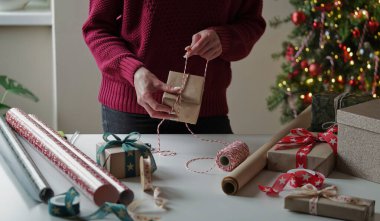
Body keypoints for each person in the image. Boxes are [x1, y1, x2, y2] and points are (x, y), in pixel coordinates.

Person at [82, 0, 266, 134]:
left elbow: (252, 22)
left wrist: (224, 38)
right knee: (135, 186)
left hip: (205, 109)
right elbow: (97, 29)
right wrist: (134, 71)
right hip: (132, 106)